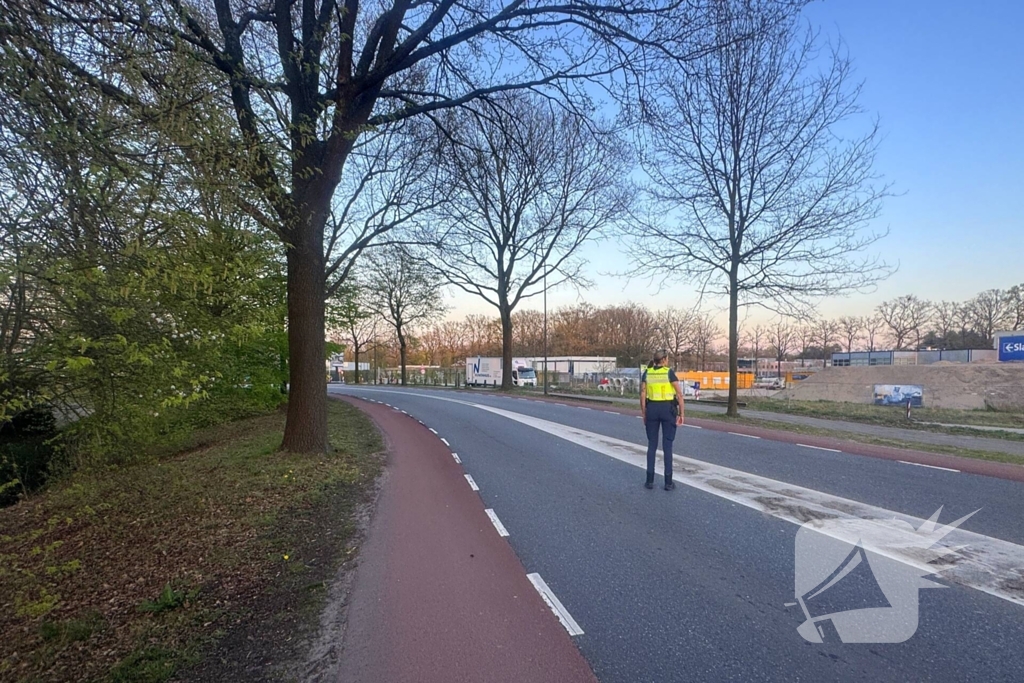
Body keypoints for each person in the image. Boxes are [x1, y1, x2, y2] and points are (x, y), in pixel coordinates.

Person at [640, 349, 685, 490]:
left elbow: (642, 394)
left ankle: (649, 481)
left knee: (652, 445)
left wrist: (644, 413)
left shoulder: (647, 373)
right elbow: (679, 395)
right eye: (667, 359)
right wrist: (682, 414)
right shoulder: (669, 372)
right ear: (664, 360)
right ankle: (668, 482)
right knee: (667, 446)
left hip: (652, 408)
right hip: (667, 410)